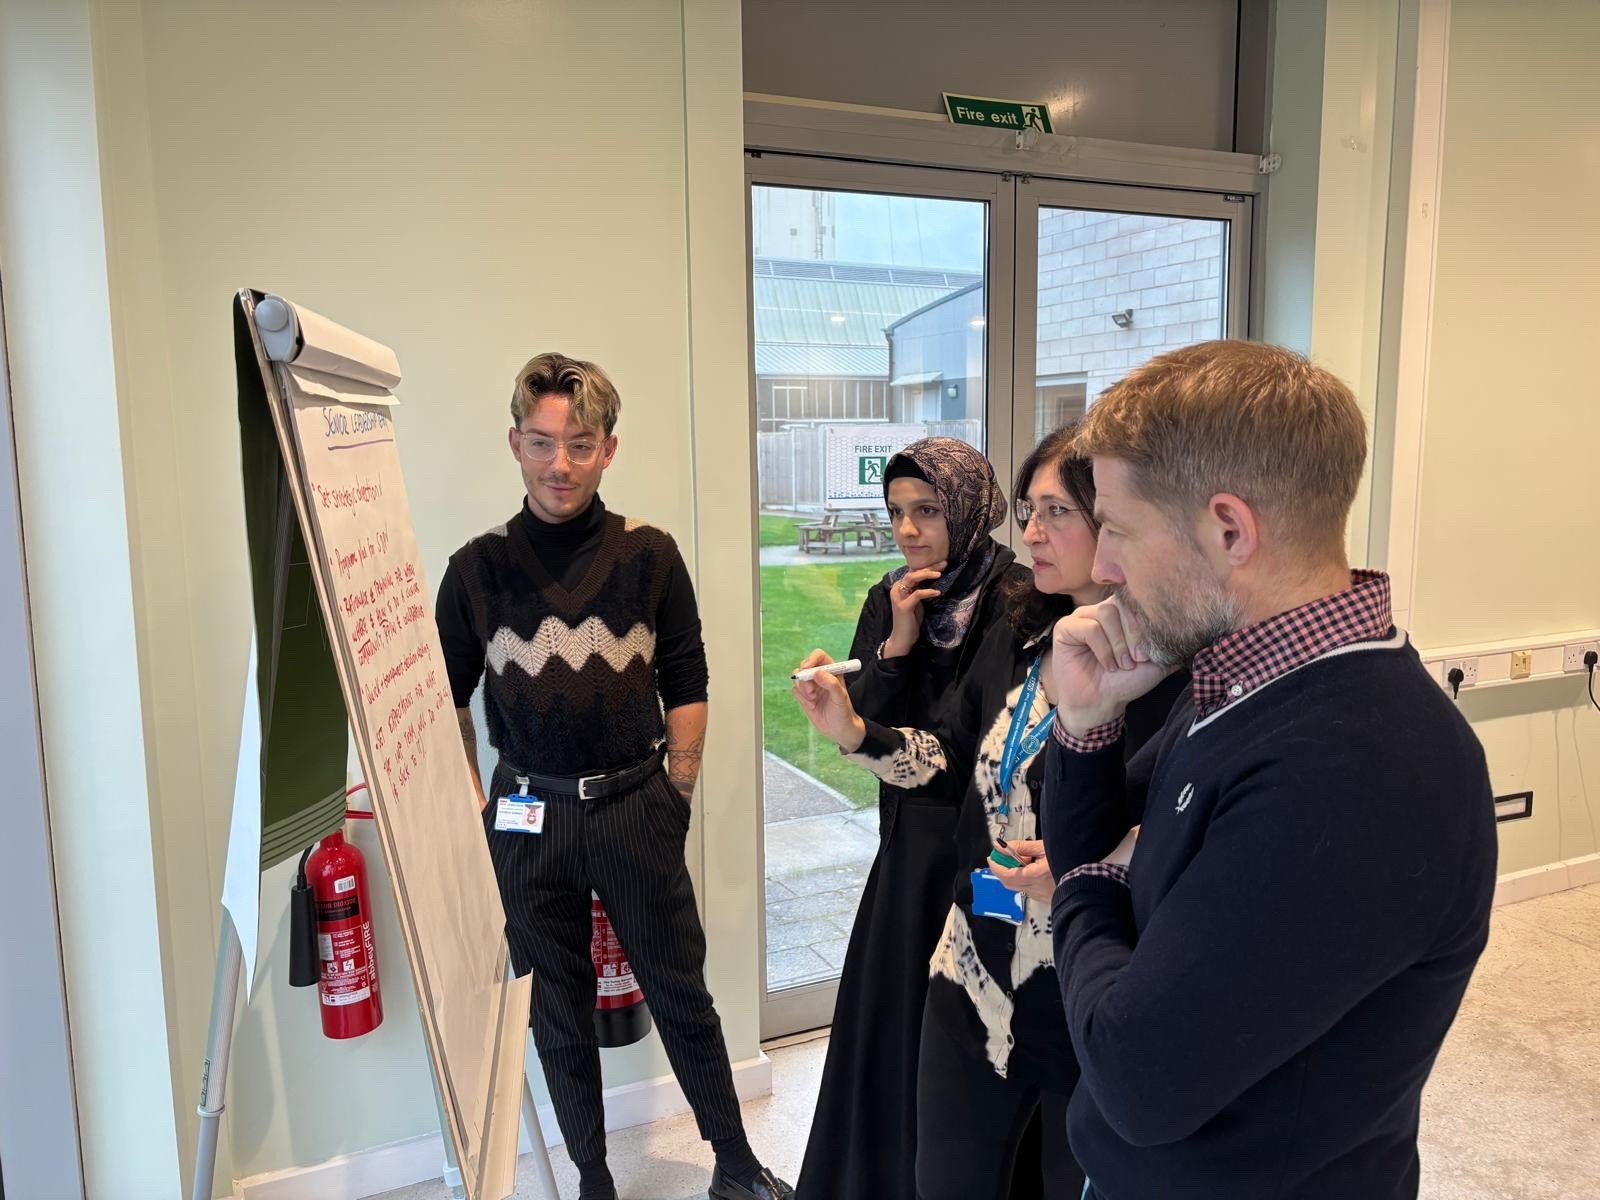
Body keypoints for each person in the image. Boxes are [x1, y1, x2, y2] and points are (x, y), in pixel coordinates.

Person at [1042, 341, 1496, 1199]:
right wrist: (1088, 721)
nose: (1100, 568)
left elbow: (1136, 1075)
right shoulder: (1242, 678)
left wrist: (1089, 889)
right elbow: (1094, 849)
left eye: (1120, 530)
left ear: (1229, 528)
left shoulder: (1362, 770)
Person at [793, 428, 1187, 1200]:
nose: (1030, 532)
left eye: (1056, 512)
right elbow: (947, 757)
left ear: (1114, 523)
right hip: (970, 964)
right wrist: (853, 733)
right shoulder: (1020, 628)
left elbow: (1186, 825)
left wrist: (1092, 866)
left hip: (1081, 977)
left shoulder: (1168, 660)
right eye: (1028, 509)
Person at [436, 353, 792, 1200]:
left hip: (635, 805)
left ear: (608, 449)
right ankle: (593, 1179)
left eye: (581, 444)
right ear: (515, 445)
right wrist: (469, 808)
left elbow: (688, 680)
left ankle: (736, 1167)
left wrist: (679, 792)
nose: (561, 464)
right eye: (543, 442)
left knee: (680, 992)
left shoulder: (650, 557)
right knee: (555, 1008)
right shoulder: (474, 570)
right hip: (526, 817)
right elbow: (443, 702)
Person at [796, 438, 1028, 1200]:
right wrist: (894, 647)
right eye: (895, 512)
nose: (908, 530)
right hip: (904, 848)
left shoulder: (1017, 601)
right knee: (890, 1035)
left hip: (981, 856)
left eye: (926, 510)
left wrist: (860, 732)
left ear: (967, 509)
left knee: (962, 1044)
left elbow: (969, 759)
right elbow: (862, 730)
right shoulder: (889, 597)